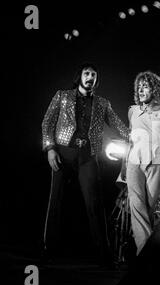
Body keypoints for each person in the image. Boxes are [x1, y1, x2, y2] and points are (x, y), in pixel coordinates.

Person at [41, 63, 129, 266]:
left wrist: (137, 136)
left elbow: (117, 124)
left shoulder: (102, 103)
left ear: (97, 80)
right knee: (56, 202)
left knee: (95, 205)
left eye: (93, 75)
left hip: (88, 155)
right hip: (63, 152)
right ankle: (48, 249)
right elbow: (47, 122)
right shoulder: (62, 96)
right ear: (79, 76)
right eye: (86, 73)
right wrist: (50, 148)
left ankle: (104, 255)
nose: (90, 77)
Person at [127, 71, 160, 255]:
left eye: (145, 86)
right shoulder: (133, 110)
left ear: (155, 89)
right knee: (136, 205)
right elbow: (131, 140)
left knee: (148, 207)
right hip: (134, 162)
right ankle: (146, 253)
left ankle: (148, 252)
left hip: (156, 163)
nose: (141, 90)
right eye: (139, 87)